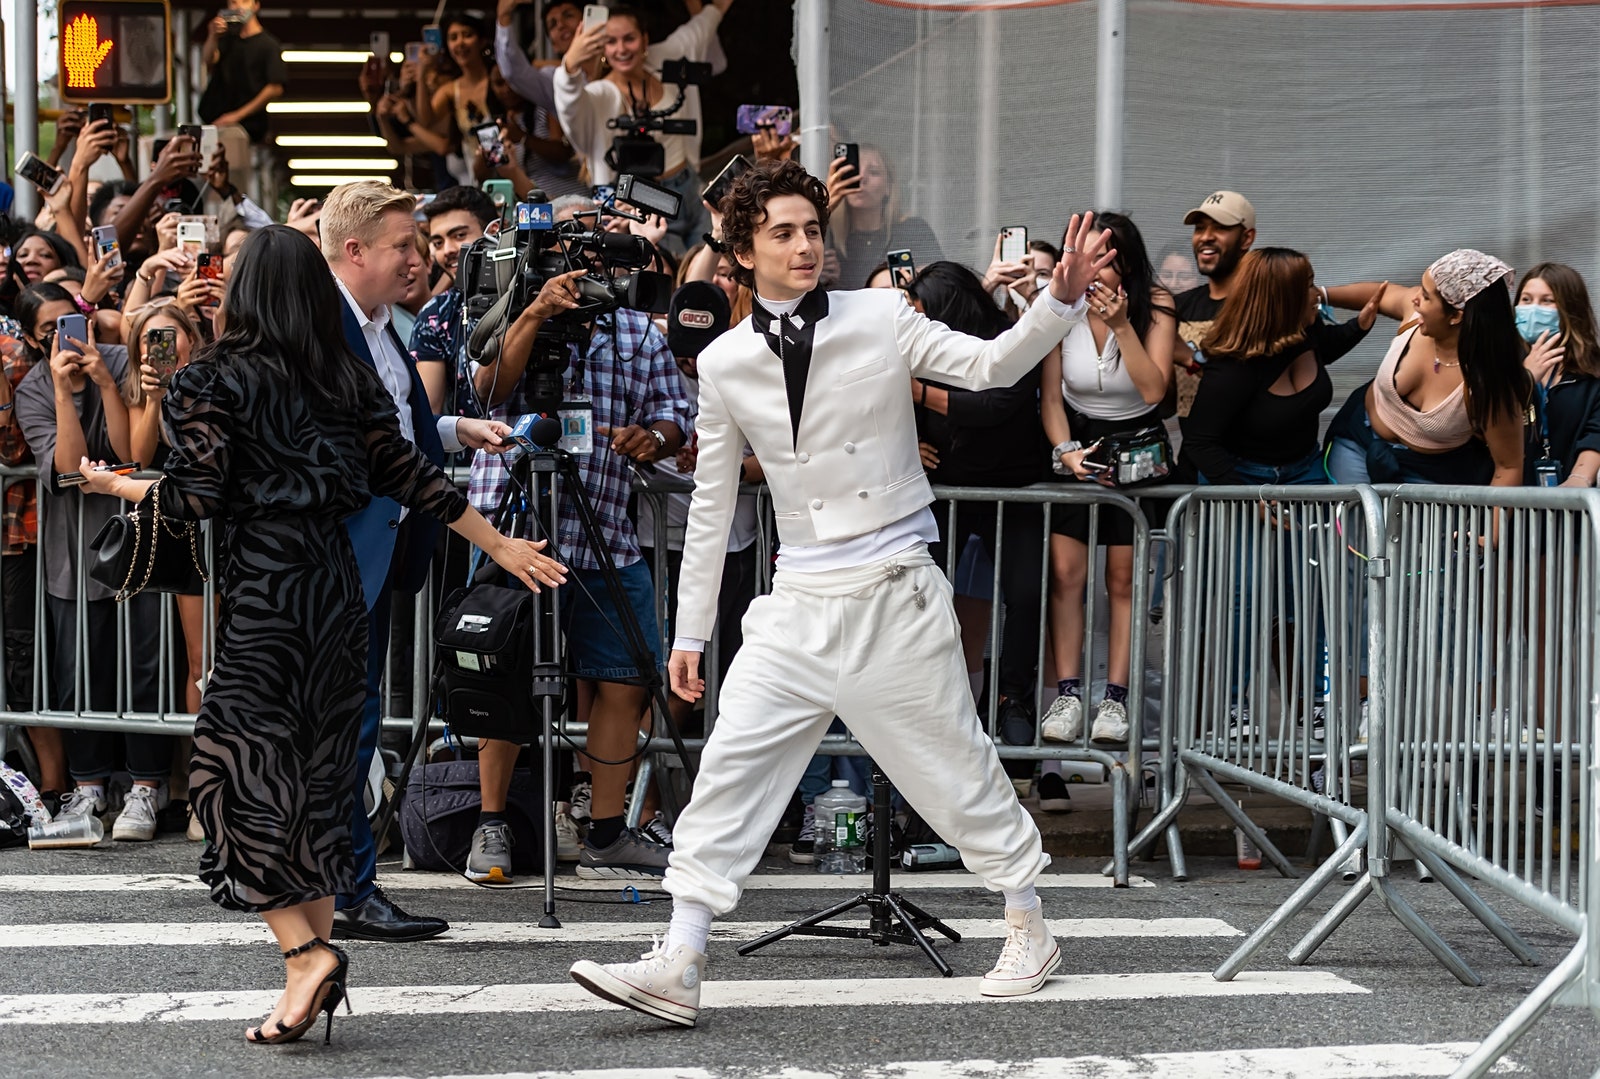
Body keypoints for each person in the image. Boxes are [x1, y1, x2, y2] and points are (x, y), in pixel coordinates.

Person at [567, 160, 1116, 1025]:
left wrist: (1059, 302)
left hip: (894, 587)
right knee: (733, 766)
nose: (804, 246)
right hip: (795, 598)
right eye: (782, 232)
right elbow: (712, 500)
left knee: (953, 768)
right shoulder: (724, 360)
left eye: (812, 230)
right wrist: (690, 633)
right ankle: (681, 954)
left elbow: (988, 367)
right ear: (741, 252)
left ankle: (1027, 920)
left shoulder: (881, 315)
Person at [79, 224, 565, 1047]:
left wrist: (120, 486)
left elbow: (196, 494)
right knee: (315, 788)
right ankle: (303, 976)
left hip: (268, 598)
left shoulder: (210, 378)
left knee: (226, 779)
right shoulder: (348, 376)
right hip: (337, 594)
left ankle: (306, 954)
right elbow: (412, 474)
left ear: (244, 294)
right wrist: (503, 545)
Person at [461, 193, 692, 885]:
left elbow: (675, 415)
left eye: (596, 248)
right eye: (571, 246)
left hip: (603, 527)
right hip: (513, 529)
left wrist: (652, 438)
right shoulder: (502, 305)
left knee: (626, 676)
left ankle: (606, 832)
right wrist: (535, 311)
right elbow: (487, 393)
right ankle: (493, 822)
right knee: (502, 672)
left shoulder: (635, 329)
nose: (585, 261)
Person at [320, 181, 513, 942]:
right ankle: (347, 890)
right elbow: (365, 448)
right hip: (336, 557)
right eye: (404, 245)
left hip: (380, 552)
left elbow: (400, 421)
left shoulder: (381, 326)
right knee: (346, 725)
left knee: (354, 722)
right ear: (355, 250)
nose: (420, 258)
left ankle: (339, 885)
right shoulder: (323, 327)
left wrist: (457, 430)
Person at [12, 282, 169, 841]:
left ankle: (147, 787)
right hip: (74, 555)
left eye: (72, 321)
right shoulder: (33, 387)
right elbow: (71, 468)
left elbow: (132, 456)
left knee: (147, 666)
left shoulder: (123, 362)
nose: (67, 339)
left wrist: (103, 381)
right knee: (81, 670)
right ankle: (89, 787)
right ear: (34, 339)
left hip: (141, 547)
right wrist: (63, 390)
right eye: (51, 331)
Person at [1038, 211, 1175, 747]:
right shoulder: (1057, 303)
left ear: (1127, 265)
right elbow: (1051, 397)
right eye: (1082, 257)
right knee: (1066, 575)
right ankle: (1069, 695)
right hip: (1079, 444)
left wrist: (1121, 325)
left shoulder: (1155, 306)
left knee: (1123, 580)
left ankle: (1115, 699)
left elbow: (1154, 391)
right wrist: (1065, 451)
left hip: (1137, 445)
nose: (1090, 270)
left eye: (1103, 260)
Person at [909, 260, 1051, 750]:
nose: (916, 321)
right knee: (922, 593)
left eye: (923, 311)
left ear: (947, 309)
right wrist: (908, 445)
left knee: (1026, 594)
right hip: (947, 490)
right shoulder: (920, 350)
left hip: (1016, 489)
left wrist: (918, 391)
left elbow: (994, 405)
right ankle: (926, 697)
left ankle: (1014, 699)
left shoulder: (1008, 339)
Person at [1323, 250, 1528, 487]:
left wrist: (1492, 514)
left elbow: (1509, 467)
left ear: (1455, 316)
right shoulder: (1416, 316)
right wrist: (1322, 295)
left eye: (1426, 296)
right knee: (1350, 511)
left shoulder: (1489, 384)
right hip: (1357, 443)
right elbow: (1383, 293)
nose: (1415, 299)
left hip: (1426, 477)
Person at [1180, 249, 1378, 485]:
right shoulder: (1232, 367)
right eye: (1309, 286)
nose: (1318, 294)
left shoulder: (1306, 332)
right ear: (1282, 298)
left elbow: (1326, 348)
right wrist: (1247, 498)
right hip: (1244, 477)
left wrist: (1360, 325)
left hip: (1306, 468)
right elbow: (1200, 442)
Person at [554, 1, 734, 254]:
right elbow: (569, 107)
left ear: (644, 39)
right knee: (670, 270)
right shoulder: (599, 95)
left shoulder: (665, 65)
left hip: (690, 188)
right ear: (602, 47)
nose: (621, 49)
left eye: (629, 39)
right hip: (643, 202)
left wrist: (716, 8)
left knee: (711, 265)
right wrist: (570, 66)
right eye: (611, 41)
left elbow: (699, 29)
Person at [1171, 191, 1256, 417]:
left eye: (1220, 228)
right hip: (1192, 438)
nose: (1206, 237)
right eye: (1200, 228)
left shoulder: (1262, 306)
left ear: (1246, 238)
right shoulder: (1178, 306)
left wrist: (1190, 358)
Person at [1515, 263, 1600, 487]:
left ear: (1570, 308)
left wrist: (1579, 480)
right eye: (1526, 299)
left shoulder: (1593, 369)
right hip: (1512, 497)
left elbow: (1596, 432)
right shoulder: (1502, 360)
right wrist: (1526, 378)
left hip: (1571, 497)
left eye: (1547, 301)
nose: (1533, 309)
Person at [826, 144, 942, 294]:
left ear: (888, 187)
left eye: (873, 172)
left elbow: (940, 286)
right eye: (853, 172)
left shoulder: (912, 230)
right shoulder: (826, 235)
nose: (861, 178)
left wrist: (920, 279)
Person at [198, 0, 288, 194]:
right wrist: (212, 35)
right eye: (233, 2)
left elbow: (275, 87)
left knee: (234, 180)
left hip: (247, 127)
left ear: (256, 5)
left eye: (244, 1)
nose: (238, 6)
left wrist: (237, 116)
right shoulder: (226, 40)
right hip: (215, 120)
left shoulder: (268, 45)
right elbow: (208, 61)